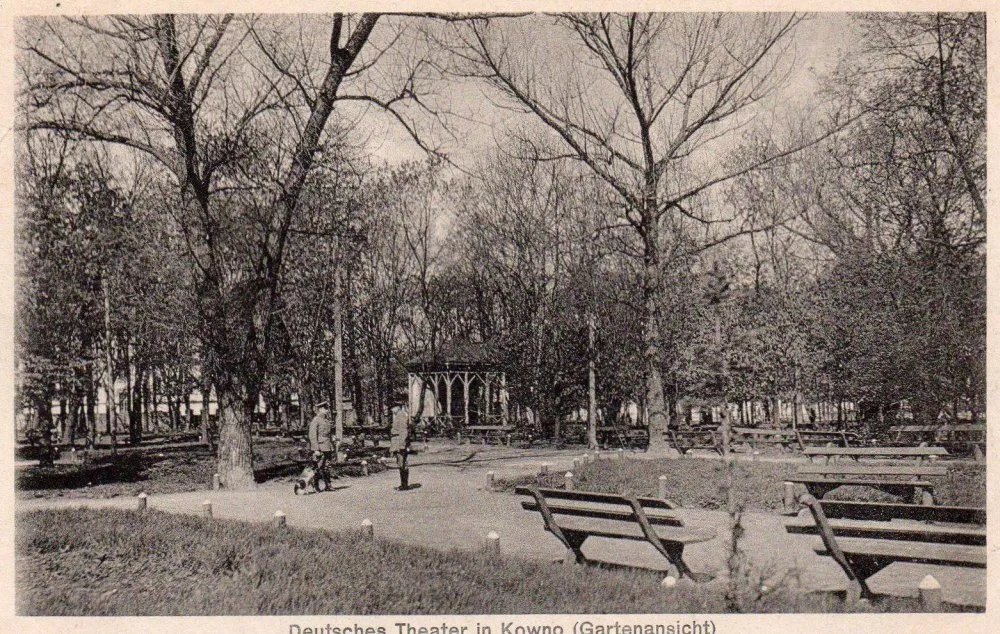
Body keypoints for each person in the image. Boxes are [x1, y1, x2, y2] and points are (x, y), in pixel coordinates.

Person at [308, 401, 334, 477]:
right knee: (317, 467)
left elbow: (328, 434)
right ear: (320, 409)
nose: (327, 410)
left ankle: (327, 483)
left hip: (327, 446)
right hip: (320, 447)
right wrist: (315, 449)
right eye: (325, 408)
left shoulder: (326, 420)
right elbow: (312, 435)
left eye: (327, 408)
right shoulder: (316, 420)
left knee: (327, 466)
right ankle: (312, 483)